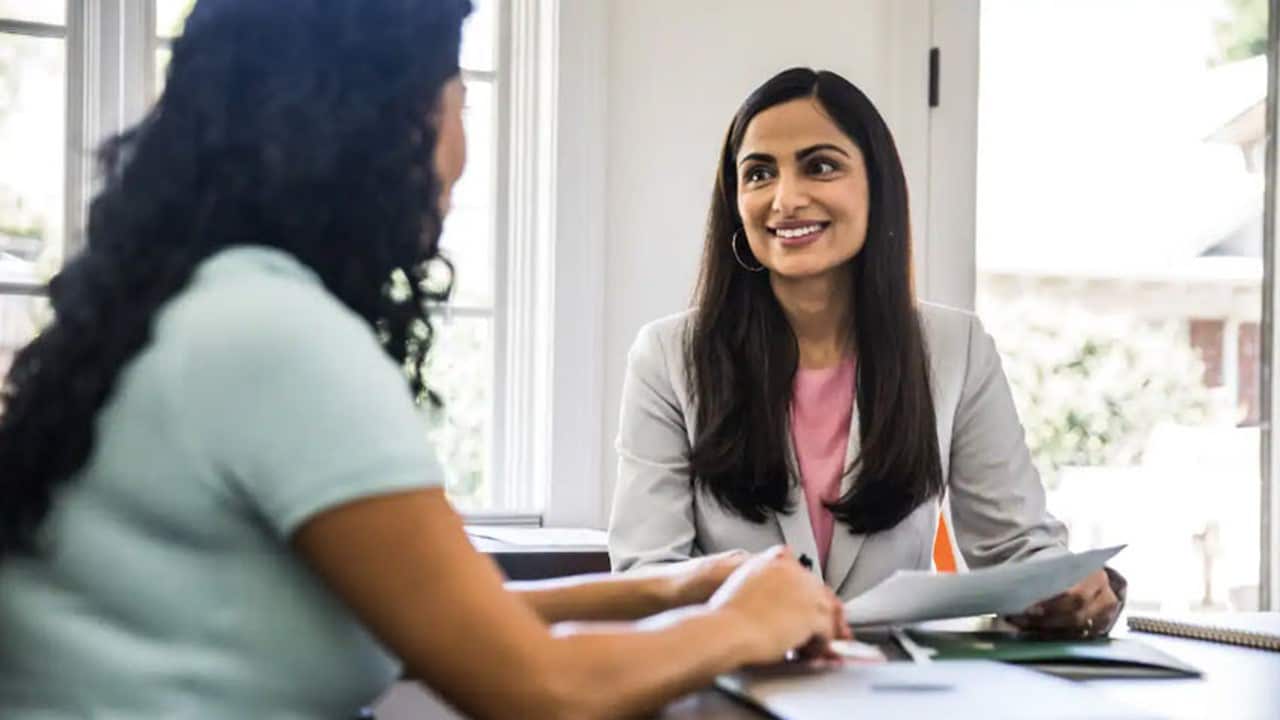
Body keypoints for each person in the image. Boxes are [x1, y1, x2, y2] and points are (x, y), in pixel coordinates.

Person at [0, 4, 848, 718]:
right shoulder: (276, 336)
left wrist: (669, 590)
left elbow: (433, 613)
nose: (462, 152)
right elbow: (536, 685)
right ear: (381, 121)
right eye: (458, 104)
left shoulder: (200, 302)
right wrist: (746, 622)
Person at [608, 67, 1125, 638]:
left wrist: (1064, 590)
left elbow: (1015, 545)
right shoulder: (667, 358)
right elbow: (647, 577)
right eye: (759, 174)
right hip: (730, 684)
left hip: (893, 690)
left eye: (820, 165)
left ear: (876, 186)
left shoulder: (957, 349)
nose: (786, 199)